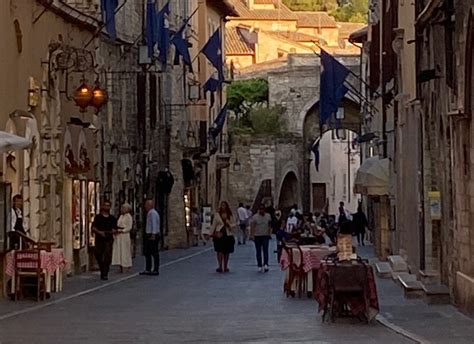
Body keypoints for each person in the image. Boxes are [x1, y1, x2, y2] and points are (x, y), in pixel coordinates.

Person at [92, 200, 118, 280]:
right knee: (98, 254)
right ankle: (102, 268)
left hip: (108, 238)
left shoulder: (112, 218)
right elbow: (93, 227)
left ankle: (105, 273)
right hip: (99, 238)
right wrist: (99, 232)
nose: (106, 207)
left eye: (108, 205)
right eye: (105, 205)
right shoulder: (98, 217)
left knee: (107, 256)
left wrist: (114, 231)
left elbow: (115, 228)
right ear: (102, 206)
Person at [211, 201, 235, 273]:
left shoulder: (230, 215)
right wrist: (211, 233)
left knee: (227, 251)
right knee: (219, 251)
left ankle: (225, 266)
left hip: (228, 235)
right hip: (219, 234)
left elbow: (234, 224)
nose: (223, 207)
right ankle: (220, 266)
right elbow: (214, 225)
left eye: (224, 205)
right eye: (222, 205)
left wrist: (228, 224)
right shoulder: (217, 215)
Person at [139, 200, 160, 276]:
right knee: (148, 252)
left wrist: (153, 234)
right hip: (151, 234)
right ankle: (148, 269)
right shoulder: (151, 213)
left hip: (152, 234)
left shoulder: (152, 213)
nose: (145, 206)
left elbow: (154, 224)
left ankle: (155, 269)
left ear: (150, 205)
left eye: (146, 205)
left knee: (153, 252)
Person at [250, 204, 272, 273]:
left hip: (265, 235)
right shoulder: (255, 217)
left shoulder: (268, 216)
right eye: (261, 209)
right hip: (257, 236)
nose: (262, 210)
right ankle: (259, 265)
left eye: (263, 209)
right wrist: (252, 235)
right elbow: (252, 226)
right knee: (258, 251)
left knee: (265, 250)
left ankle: (266, 264)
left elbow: (269, 225)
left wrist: (269, 233)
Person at [112, 203, 133, 273]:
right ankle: (120, 265)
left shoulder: (129, 217)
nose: (122, 209)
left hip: (124, 236)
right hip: (119, 236)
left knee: (125, 251)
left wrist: (122, 231)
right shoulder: (121, 216)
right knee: (119, 251)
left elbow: (129, 227)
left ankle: (126, 265)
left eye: (123, 208)